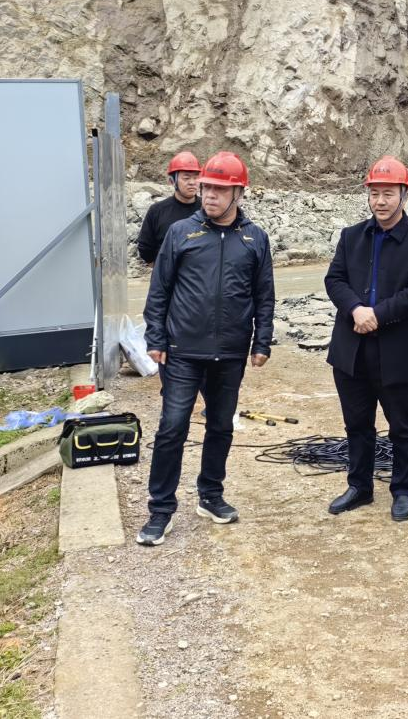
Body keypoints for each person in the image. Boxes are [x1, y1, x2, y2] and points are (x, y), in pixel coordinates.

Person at [137, 152, 274, 546]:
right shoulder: (181, 233)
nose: (209, 194)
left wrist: (261, 341)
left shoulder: (255, 239)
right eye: (207, 187)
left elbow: (264, 295)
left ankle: (211, 495)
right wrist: (155, 338)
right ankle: (160, 510)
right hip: (182, 350)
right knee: (172, 427)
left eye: (219, 189)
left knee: (220, 425)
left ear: (239, 193)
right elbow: (159, 289)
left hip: (230, 353)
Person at [324, 156, 408, 522]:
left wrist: (377, 314)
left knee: (403, 427)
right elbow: (334, 280)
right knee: (357, 424)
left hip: (396, 350)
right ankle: (359, 486)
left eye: (388, 193)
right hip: (352, 348)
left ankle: (403, 490)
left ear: (404, 195)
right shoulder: (351, 236)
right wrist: (356, 310)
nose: (380, 201)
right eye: (374, 193)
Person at [136, 151, 201, 264]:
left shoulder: (208, 209)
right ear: (172, 181)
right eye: (186, 178)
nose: (192, 182)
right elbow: (145, 249)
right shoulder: (157, 211)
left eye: (196, 178)